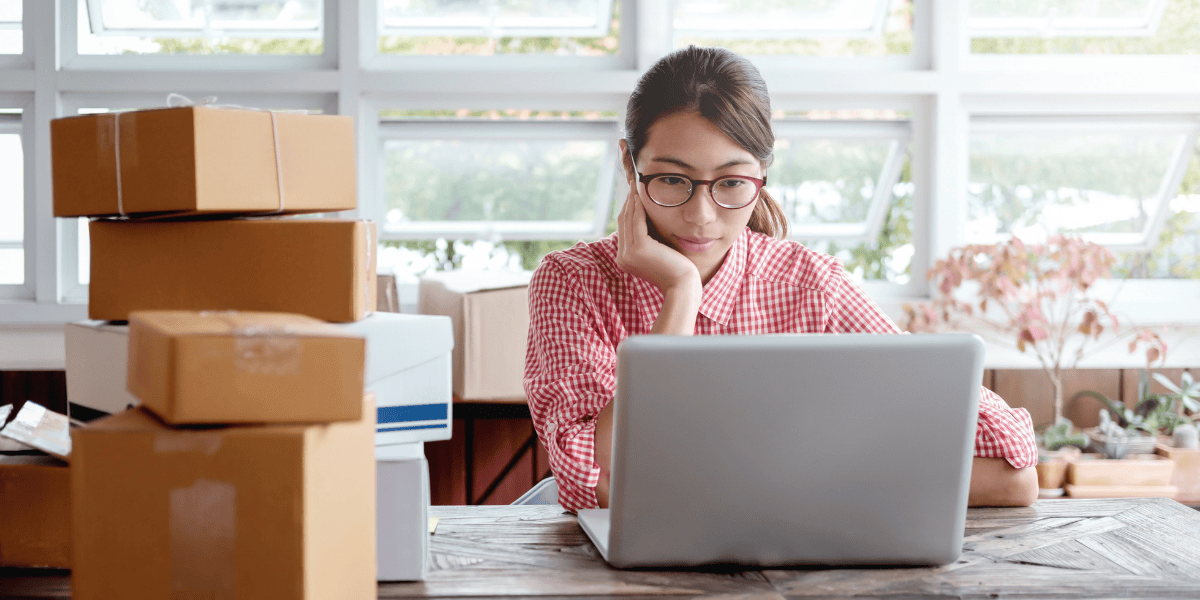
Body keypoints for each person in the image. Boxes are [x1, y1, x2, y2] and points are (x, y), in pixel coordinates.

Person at [522, 45, 1039, 513]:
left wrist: (775, 482)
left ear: (763, 172)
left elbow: (1013, 473)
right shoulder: (572, 282)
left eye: (731, 182)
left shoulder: (813, 287)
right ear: (629, 164)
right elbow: (599, 477)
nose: (701, 216)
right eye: (673, 179)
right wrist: (680, 292)